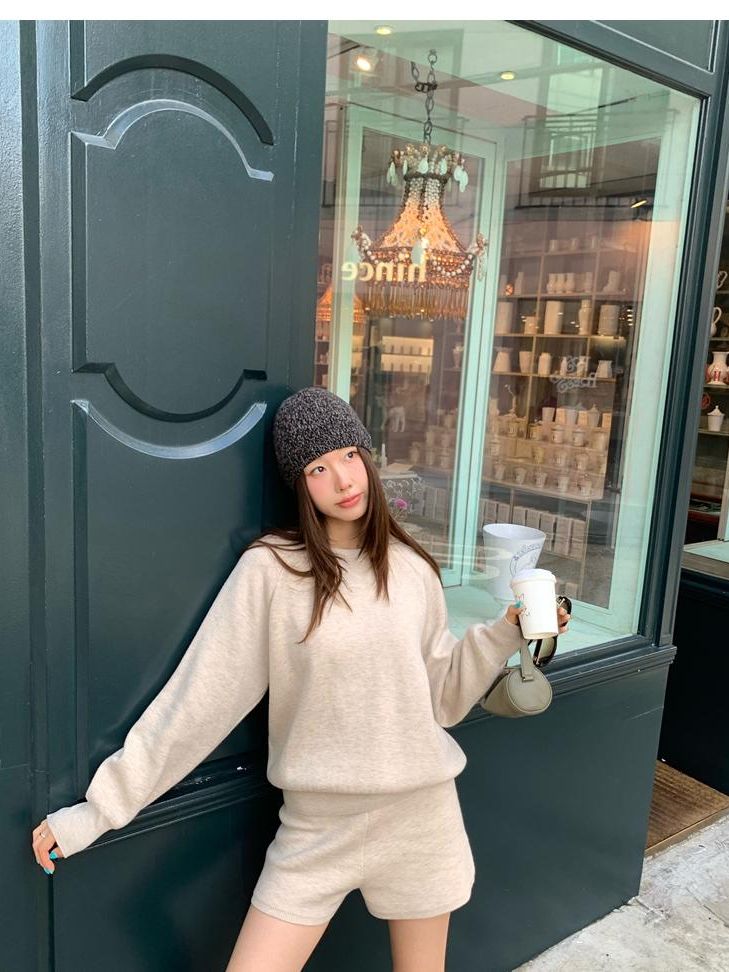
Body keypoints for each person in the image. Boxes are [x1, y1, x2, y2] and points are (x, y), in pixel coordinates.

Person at [32, 386, 570, 972]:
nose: (343, 479)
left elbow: (442, 699)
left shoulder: (412, 568)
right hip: (316, 828)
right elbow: (198, 702)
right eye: (318, 468)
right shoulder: (272, 571)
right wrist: (97, 812)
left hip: (420, 818)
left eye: (349, 455)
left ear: (367, 456)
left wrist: (507, 632)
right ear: (299, 484)